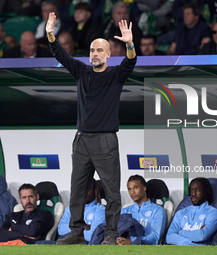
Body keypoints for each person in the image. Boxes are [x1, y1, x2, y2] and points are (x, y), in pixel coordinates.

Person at [46, 11, 137, 245]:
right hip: (82, 140)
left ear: (108, 54)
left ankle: (110, 234)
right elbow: (60, 54)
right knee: (77, 190)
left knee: (111, 191)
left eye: (99, 51)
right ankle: (76, 233)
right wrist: (50, 35)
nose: (94, 54)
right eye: (92, 51)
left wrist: (129, 44)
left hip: (106, 140)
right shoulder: (80, 72)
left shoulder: (115, 76)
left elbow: (131, 62)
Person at [166, 177, 217, 245]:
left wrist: (180, 232)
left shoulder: (214, 213)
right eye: (191, 190)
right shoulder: (180, 213)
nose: (193, 194)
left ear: (205, 191)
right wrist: (191, 242)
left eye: (197, 190)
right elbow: (169, 237)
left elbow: (201, 236)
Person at [116, 175, 166, 245]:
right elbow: (117, 232)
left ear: (144, 188)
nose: (132, 192)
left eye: (136, 188)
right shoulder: (124, 211)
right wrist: (118, 240)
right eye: (129, 189)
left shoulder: (158, 211)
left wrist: (131, 241)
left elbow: (154, 238)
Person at [56, 179, 105, 244]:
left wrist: (73, 229)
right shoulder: (71, 207)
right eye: (81, 189)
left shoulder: (100, 210)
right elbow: (61, 230)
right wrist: (83, 227)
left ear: (95, 191)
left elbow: (92, 236)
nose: (84, 192)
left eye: (88, 189)